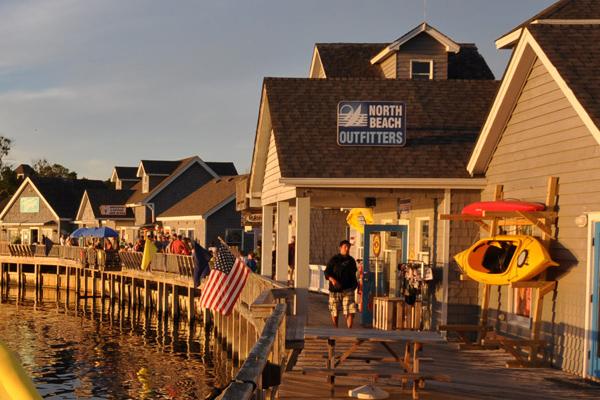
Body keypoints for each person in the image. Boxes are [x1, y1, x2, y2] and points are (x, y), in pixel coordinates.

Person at [324, 240, 358, 328]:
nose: (347, 249)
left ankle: (349, 330)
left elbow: (354, 274)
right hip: (335, 290)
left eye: (348, 247)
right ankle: (336, 329)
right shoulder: (334, 259)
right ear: (340, 248)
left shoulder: (351, 261)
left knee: (350, 310)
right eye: (345, 247)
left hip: (348, 289)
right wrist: (333, 280)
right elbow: (327, 272)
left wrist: (355, 285)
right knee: (334, 310)